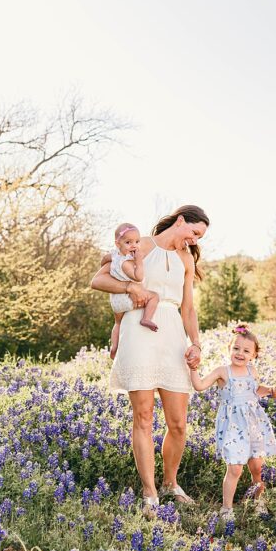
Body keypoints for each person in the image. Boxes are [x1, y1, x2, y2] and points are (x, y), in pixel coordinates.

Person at [90, 204, 209, 513]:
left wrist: (195, 343)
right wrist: (129, 286)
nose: (195, 240)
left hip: (171, 334)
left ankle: (171, 483)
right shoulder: (140, 244)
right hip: (139, 330)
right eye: (194, 232)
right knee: (143, 416)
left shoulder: (185, 259)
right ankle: (150, 492)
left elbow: (189, 309)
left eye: (199, 237)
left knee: (179, 423)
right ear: (180, 221)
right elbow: (98, 280)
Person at [188, 324, 276, 521]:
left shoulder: (252, 371)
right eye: (236, 348)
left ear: (254, 355)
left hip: (253, 423)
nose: (240, 353)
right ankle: (226, 508)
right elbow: (199, 385)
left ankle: (258, 502)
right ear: (229, 348)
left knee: (257, 467)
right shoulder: (223, 371)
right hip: (233, 426)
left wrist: (270, 389)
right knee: (235, 468)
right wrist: (193, 369)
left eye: (246, 350)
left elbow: (255, 391)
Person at [104, 223, 160, 360]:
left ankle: (114, 347)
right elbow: (138, 276)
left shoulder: (114, 257)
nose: (134, 245)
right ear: (118, 244)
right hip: (128, 299)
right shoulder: (126, 263)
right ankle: (146, 318)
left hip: (116, 301)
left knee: (117, 323)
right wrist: (139, 262)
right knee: (155, 296)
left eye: (137, 241)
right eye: (128, 242)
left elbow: (104, 259)